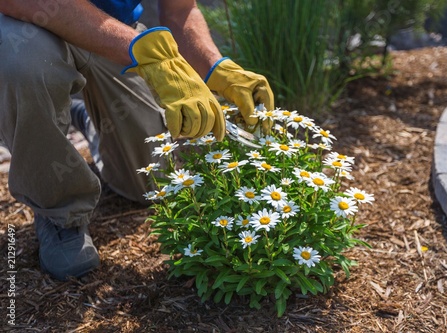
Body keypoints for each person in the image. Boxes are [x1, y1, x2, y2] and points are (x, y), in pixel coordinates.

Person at [0, 0, 274, 281]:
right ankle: (57, 213)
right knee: (21, 66)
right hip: (31, 31)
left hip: (114, 33)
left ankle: (82, 117)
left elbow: (181, 10)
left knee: (149, 183)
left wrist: (216, 67)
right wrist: (145, 52)